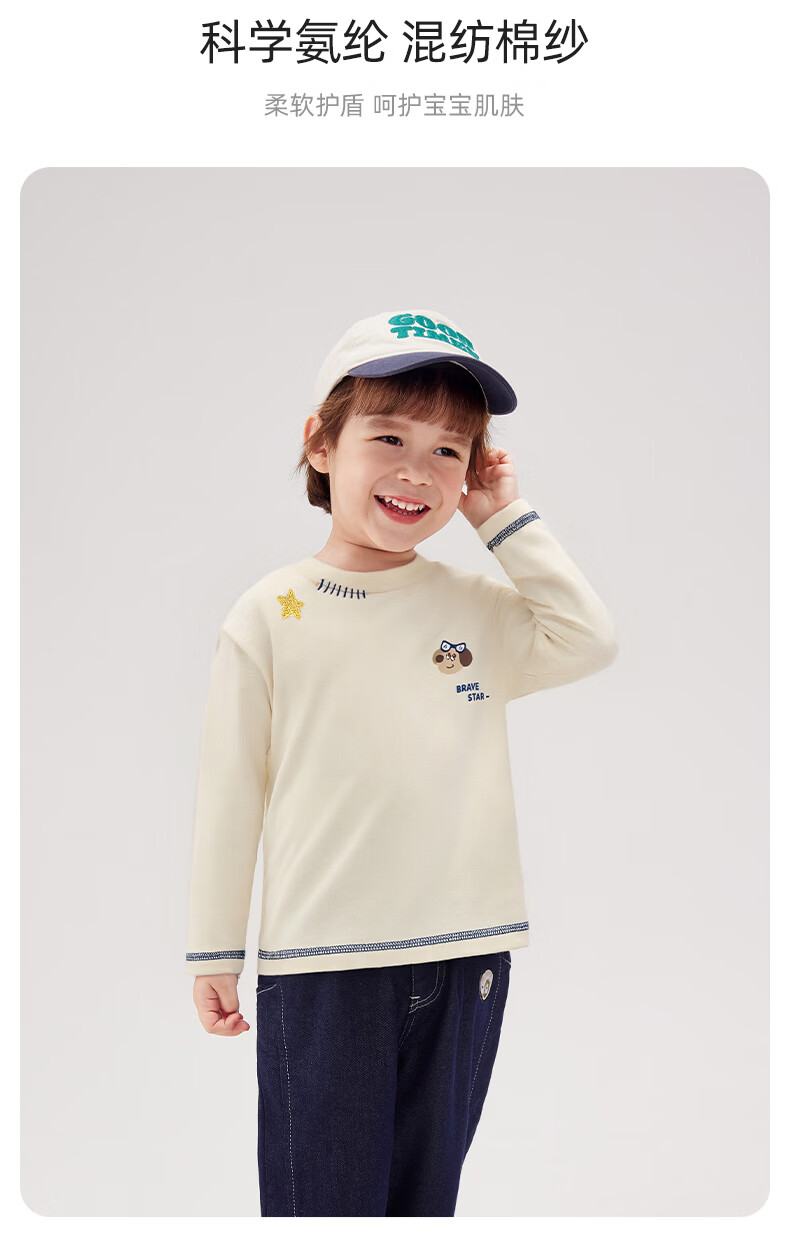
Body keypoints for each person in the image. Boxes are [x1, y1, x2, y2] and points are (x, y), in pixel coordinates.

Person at [185, 308, 618, 1217]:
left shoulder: (477, 607)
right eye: (388, 437)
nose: (418, 470)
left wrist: (504, 519)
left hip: (467, 954)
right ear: (321, 443)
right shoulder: (269, 614)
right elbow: (230, 792)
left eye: (449, 450)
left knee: (425, 1205)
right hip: (324, 967)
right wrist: (216, 947)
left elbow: (588, 639)